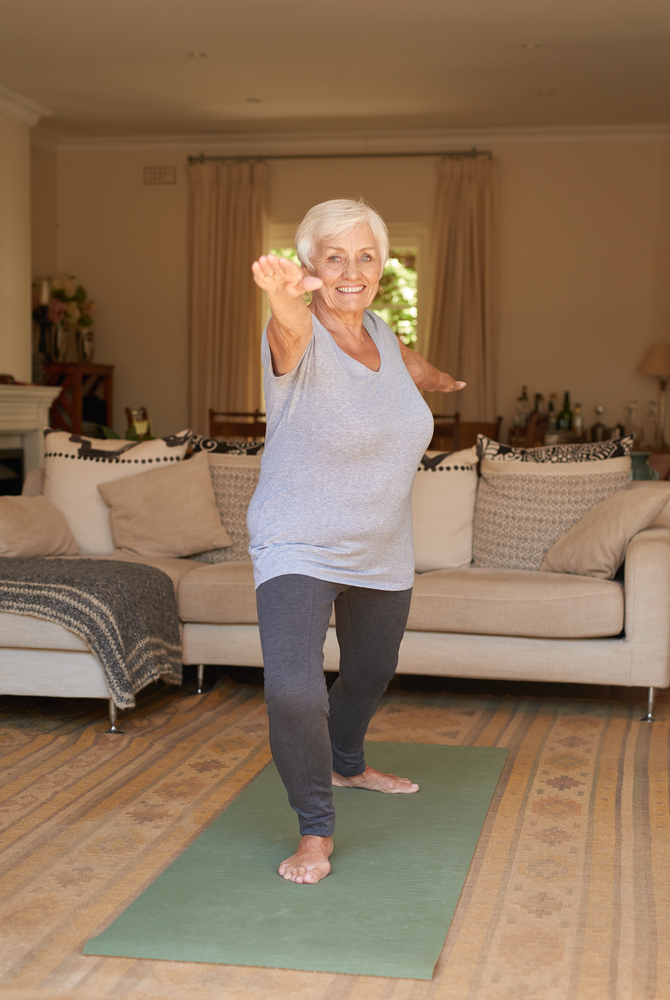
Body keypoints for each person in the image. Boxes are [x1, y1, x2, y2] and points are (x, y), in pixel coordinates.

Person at [249, 198, 464, 885]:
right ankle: (315, 829)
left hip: (381, 546)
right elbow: (288, 329)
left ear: (382, 267)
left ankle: (348, 763)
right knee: (292, 690)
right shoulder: (297, 334)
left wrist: (441, 380)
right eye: (333, 257)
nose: (351, 270)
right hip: (297, 540)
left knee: (370, 672)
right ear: (311, 267)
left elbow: (409, 365)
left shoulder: (382, 329)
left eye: (364, 256)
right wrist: (283, 300)